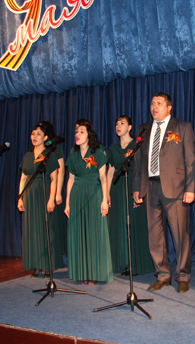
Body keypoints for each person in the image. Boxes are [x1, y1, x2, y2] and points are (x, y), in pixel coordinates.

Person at [132, 93, 195, 293]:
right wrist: (136, 187)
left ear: (169, 107)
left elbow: (190, 160)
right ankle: (162, 274)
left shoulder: (182, 126)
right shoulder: (143, 129)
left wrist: (190, 188)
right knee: (155, 235)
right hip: (150, 187)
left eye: (159, 103)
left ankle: (183, 275)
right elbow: (138, 161)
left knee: (180, 234)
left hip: (176, 187)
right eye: (152, 103)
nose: (154, 106)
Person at [65, 119, 113, 284]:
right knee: (79, 234)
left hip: (94, 193)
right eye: (76, 132)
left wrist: (104, 199)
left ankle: (95, 272)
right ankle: (82, 272)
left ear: (89, 135)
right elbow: (70, 180)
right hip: (77, 195)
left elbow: (103, 177)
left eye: (82, 132)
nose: (77, 135)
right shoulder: (73, 156)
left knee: (93, 233)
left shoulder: (98, 153)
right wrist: (67, 203)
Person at [106, 115, 154, 276]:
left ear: (130, 127)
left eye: (122, 123)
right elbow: (111, 171)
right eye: (116, 124)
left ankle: (137, 264)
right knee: (119, 225)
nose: (118, 126)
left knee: (134, 225)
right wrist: (107, 193)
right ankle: (123, 263)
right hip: (117, 188)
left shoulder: (137, 145)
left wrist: (140, 191)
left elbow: (143, 169)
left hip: (134, 187)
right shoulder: (113, 148)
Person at [17, 121, 62, 278]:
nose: (34, 137)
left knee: (46, 229)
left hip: (43, 193)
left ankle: (48, 264)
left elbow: (54, 178)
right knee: (32, 230)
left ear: (45, 137)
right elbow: (23, 178)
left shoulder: (50, 155)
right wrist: (20, 198)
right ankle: (36, 264)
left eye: (38, 134)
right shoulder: (27, 156)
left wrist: (51, 199)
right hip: (29, 195)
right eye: (33, 134)